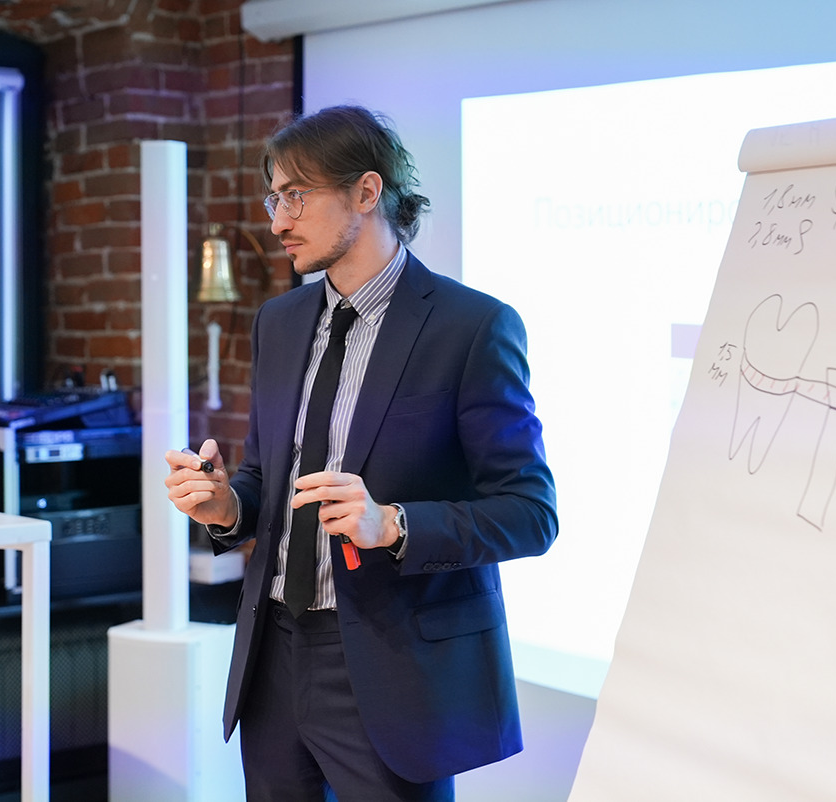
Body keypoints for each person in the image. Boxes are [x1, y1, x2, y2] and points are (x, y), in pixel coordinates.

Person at [165, 104, 557, 802]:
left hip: (391, 664)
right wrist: (227, 506)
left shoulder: (472, 327)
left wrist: (394, 523)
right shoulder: (279, 322)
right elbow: (265, 476)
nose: (277, 221)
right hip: (272, 656)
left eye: (296, 196)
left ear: (367, 192)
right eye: (274, 198)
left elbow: (530, 513)